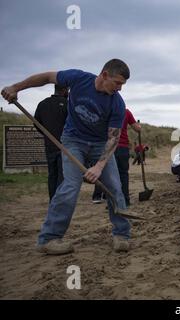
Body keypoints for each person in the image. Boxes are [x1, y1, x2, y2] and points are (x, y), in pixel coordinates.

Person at [1, 58, 132, 254]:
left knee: (114, 186)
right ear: (104, 75)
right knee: (70, 186)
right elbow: (46, 77)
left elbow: (113, 139)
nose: (120, 88)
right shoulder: (78, 78)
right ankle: (49, 239)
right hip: (73, 141)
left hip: (99, 145)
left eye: (123, 84)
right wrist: (16, 87)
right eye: (117, 83)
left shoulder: (117, 104)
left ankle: (122, 235)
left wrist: (98, 167)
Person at [92, 108, 141, 206]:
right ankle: (125, 200)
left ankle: (111, 201)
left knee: (109, 175)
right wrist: (139, 126)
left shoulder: (106, 110)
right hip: (122, 147)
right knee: (123, 174)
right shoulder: (126, 112)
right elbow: (137, 129)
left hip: (109, 147)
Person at [34, 84, 68, 200]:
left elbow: (37, 124)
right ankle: (58, 201)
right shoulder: (67, 105)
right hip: (65, 146)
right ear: (64, 90)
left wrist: (47, 135)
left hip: (49, 145)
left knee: (52, 174)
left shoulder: (42, 104)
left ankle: (53, 200)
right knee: (62, 175)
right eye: (67, 90)